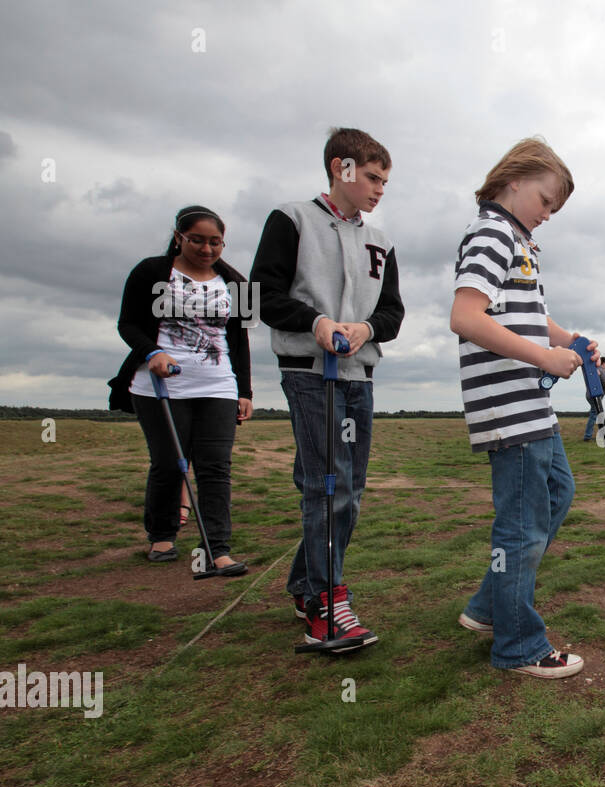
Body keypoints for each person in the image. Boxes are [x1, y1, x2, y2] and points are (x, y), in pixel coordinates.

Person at [251, 127, 405, 652]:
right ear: (341, 168)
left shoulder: (381, 241)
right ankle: (324, 600)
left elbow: (392, 312)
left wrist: (365, 329)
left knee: (349, 491)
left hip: (359, 375)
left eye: (385, 180)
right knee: (326, 486)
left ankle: (304, 583)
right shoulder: (290, 219)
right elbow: (262, 296)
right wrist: (316, 322)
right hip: (309, 374)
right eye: (372, 177)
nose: (380, 189)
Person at [450, 137, 597, 679]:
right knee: (522, 525)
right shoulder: (491, 233)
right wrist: (544, 357)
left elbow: (533, 316)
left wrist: (571, 341)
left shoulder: (520, 240)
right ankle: (518, 646)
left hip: (530, 405)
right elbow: (466, 316)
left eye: (555, 207)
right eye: (546, 200)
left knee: (557, 493)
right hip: (507, 405)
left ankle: (492, 607)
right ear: (515, 180)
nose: (548, 214)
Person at [109, 205, 253, 575]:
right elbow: (128, 323)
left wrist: (245, 390)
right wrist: (152, 352)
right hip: (159, 384)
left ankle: (216, 549)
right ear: (179, 237)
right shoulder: (151, 272)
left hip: (217, 382)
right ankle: (161, 535)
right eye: (198, 240)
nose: (207, 249)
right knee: (170, 463)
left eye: (216, 242)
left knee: (216, 467)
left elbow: (239, 339)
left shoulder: (238, 282)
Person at [583, 356, 605, 441]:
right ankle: (588, 436)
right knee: (594, 415)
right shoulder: (602, 371)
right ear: (604, 363)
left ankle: (601, 434)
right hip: (596, 396)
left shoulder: (592, 370)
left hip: (589, 395)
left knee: (597, 414)